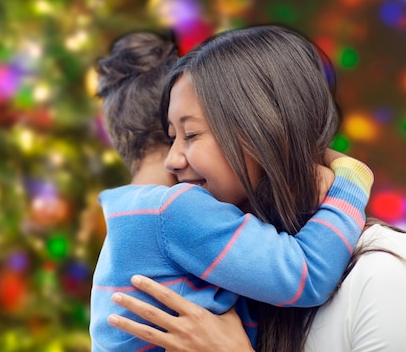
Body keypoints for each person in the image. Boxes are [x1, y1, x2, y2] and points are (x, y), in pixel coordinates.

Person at [106, 25, 406, 351]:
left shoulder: (381, 274)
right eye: (171, 137)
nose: (172, 160)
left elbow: (307, 274)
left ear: (263, 132)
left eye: (190, 135)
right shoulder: (223, 271)